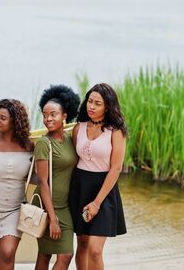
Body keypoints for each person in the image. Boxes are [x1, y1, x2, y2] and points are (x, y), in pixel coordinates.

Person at [69, 83, 127, 270]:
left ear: (107, 106)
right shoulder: (79, 128)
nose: (91, 107)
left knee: (95, 249)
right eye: (89, 101)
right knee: (83, 245)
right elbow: (71, 160)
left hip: (104, 190)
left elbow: (116, 168)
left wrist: (96, 203)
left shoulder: (116, 131)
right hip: (80, 188)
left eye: (97, 103)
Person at [0, 99, 34, 270]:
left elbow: (37, 177)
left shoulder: (28, 145)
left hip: (15, 209)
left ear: (15, 121)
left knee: (8, 253)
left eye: (3, 118)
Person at [33, 85, 80, 270]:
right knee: (47, 254)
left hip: (65, 206)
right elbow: (42, 181)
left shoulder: (70, 137)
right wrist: (52, 218)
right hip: (48, 206)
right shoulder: (44, 143)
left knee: (64, 254)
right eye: (45, 115)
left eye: (53, 114)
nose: (48, 119)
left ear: (64, 115)